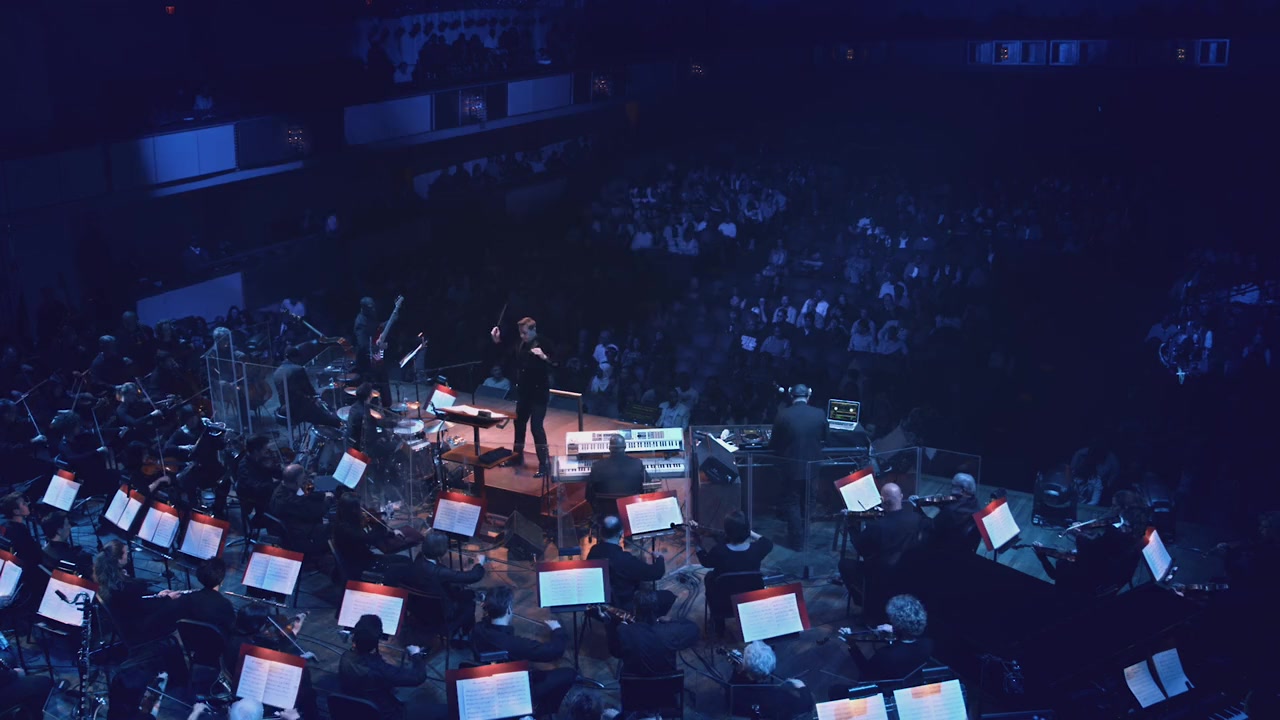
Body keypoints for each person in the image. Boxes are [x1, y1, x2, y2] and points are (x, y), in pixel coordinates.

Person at [472, 587, 576, 717]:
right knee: (569, 674)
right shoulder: (513, 644)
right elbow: (553, 651)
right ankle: (540, 709)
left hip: (489, 680)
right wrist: (557, 630)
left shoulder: (477, 628)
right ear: (509, 609)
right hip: (513, 688)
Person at [838, 482, 925, 622]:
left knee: (844, 564)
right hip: (911, 571)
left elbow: (862, 549)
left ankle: (865, 603)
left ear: (883, 501)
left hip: (882, 575)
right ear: (901, 496)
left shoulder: (877, 526)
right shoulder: (917, 519)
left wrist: (852, 526)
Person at [1035, 490, 1147, 597]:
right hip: (1106, 573)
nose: (1111, 508)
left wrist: (1078, 534)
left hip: (1093, 578)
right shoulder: (1134, 533)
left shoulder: (1115, 534)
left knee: (1061, 565)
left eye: (1114, 506)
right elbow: (1099, 545)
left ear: (1124, 508)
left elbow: (1093, 549)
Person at [339, 614, 443, 720]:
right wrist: (415, 654)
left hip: (358, 711)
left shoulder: (345, 657)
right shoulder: (380, 670)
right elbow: (418, 677)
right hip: (386, 715)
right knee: (443, 711)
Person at [491, 317, 555, 478]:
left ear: (533, 330)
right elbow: (508, 354)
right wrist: (497, 341)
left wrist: (544, 357)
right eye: (520, 333)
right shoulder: (520, 343)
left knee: (536, 427)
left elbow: (556, 364)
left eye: (525, 333)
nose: (522, 336)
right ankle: (517, 457)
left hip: (539, 393)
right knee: (519, 424)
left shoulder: (544, 343)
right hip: (524, 392)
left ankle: (544, 464)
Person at [768, 384, 827, 546]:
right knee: (809, 502)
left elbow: (773, 443)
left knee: (792, 501)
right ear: (809, 395)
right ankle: (805, 536)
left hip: (791, 467)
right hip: (813, 467)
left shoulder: (783, 414)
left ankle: (797, 540)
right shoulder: (819, 413)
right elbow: (825, 438)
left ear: (791, 396)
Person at [93, 540, 183, 641]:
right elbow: (143, 606)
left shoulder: (106, 577)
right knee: (175, 606)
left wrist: (159, 595)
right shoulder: (125, 586)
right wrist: (167, 599)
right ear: (118, 560)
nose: (128, 555)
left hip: (126, 622)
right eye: (126, 553)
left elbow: (136, 602)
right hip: (138, 629)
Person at [835, 594, 934, 684]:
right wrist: (894, 630)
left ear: (897, 624)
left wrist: (852, 645)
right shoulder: (928, 643)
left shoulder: (885, 655)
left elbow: (866, 671)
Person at [399, 531, 486, 634]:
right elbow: (473, 576)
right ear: (442, 550)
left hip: (419, 610)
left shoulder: (418, 559)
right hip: (440, 616)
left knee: (466, 593)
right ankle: (466, 634)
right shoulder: (439, 572)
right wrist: (478, 563)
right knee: (469, 601)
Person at [587, 516, 674, 617]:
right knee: (668, 596)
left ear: (601, 532)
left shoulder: (594, 550)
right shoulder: (623, 558)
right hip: (623, 605)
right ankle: (643, 621)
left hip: (599, 605)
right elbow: (656, 573)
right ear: (621, 533)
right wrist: (659, 558)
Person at [605, 590, 699, 676]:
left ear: (635, 610)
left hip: (634, 685)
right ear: (657, 610)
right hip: (667, 684)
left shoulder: (624, 630)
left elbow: (616, 653)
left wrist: (608, 623)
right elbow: (694, 629)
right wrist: (671, 620)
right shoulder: (671, 631)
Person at [332, 493, 412, 578]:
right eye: (360, 507)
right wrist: (378, 522)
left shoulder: (344, 522)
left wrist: (390, 532)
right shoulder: (346, 529)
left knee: (404, 560)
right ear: (353, 510)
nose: (362, 510)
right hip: (362, 566)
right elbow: (371, 539)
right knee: (405, 564)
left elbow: (371, 535)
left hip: (364, 559)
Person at [729, 641, 813, 720]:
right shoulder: (779, 697)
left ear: (745, 665)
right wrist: (801, 686)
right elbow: (807, 706)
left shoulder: (734, 689)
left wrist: (737, 671)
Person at [273, 345, 341, 428]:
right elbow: (310, 391)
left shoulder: (276, 372)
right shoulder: (298, 369)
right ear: (296, 357)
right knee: (332, 419)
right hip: (299, 410)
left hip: (285, 409)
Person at [270, 464, 331, 554]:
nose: (306, 481)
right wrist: (327, 500)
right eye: (303, 479)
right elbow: (318, 511)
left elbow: (306, 493)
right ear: (296, 482)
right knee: (333, 528)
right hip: (300, 534)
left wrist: (321, 494)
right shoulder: (290, 502)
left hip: (296, 524)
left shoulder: (283, 486)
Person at [916, 473, 979, 552]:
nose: (951, 489)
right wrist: (923, 501)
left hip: (944, 547)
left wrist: (918, 511)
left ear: (963, 490)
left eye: (953, 486)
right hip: (961, 544)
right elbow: (947, 499)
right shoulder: (974, 502)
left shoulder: (950, 511)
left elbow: (932, 527)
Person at [171, 558, 236, 634]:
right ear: (221, 581)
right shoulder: (225, 605)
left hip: (189, 639)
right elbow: (230, 630)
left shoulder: (186, 599)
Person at [586, 434, 648, 510]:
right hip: (631, 509)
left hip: (605, 510)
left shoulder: (597, 466)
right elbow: (647, 485)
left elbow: (588, 495)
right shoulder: (637, 463)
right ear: (625, 447)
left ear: (609, 448)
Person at [236, 434, 282, 529]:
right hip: (254, 499)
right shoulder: (244, 466)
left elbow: (278, 474)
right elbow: (254, 487)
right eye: (265, 450)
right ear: (256, 451)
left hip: (266, 494)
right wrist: (276, 486)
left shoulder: (261, 459)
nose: (268, 452)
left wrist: (280, 470)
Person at [40, 511, 94, 575]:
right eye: (67, 524)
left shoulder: (44, 551)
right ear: (59, 531)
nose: (70, 526)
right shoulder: (71, 558)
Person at [0, 493, 40, 566]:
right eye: (24, 504)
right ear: (16, 511)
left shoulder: (4, 525)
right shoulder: (21, 531)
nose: (27, 504)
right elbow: (33, 555)